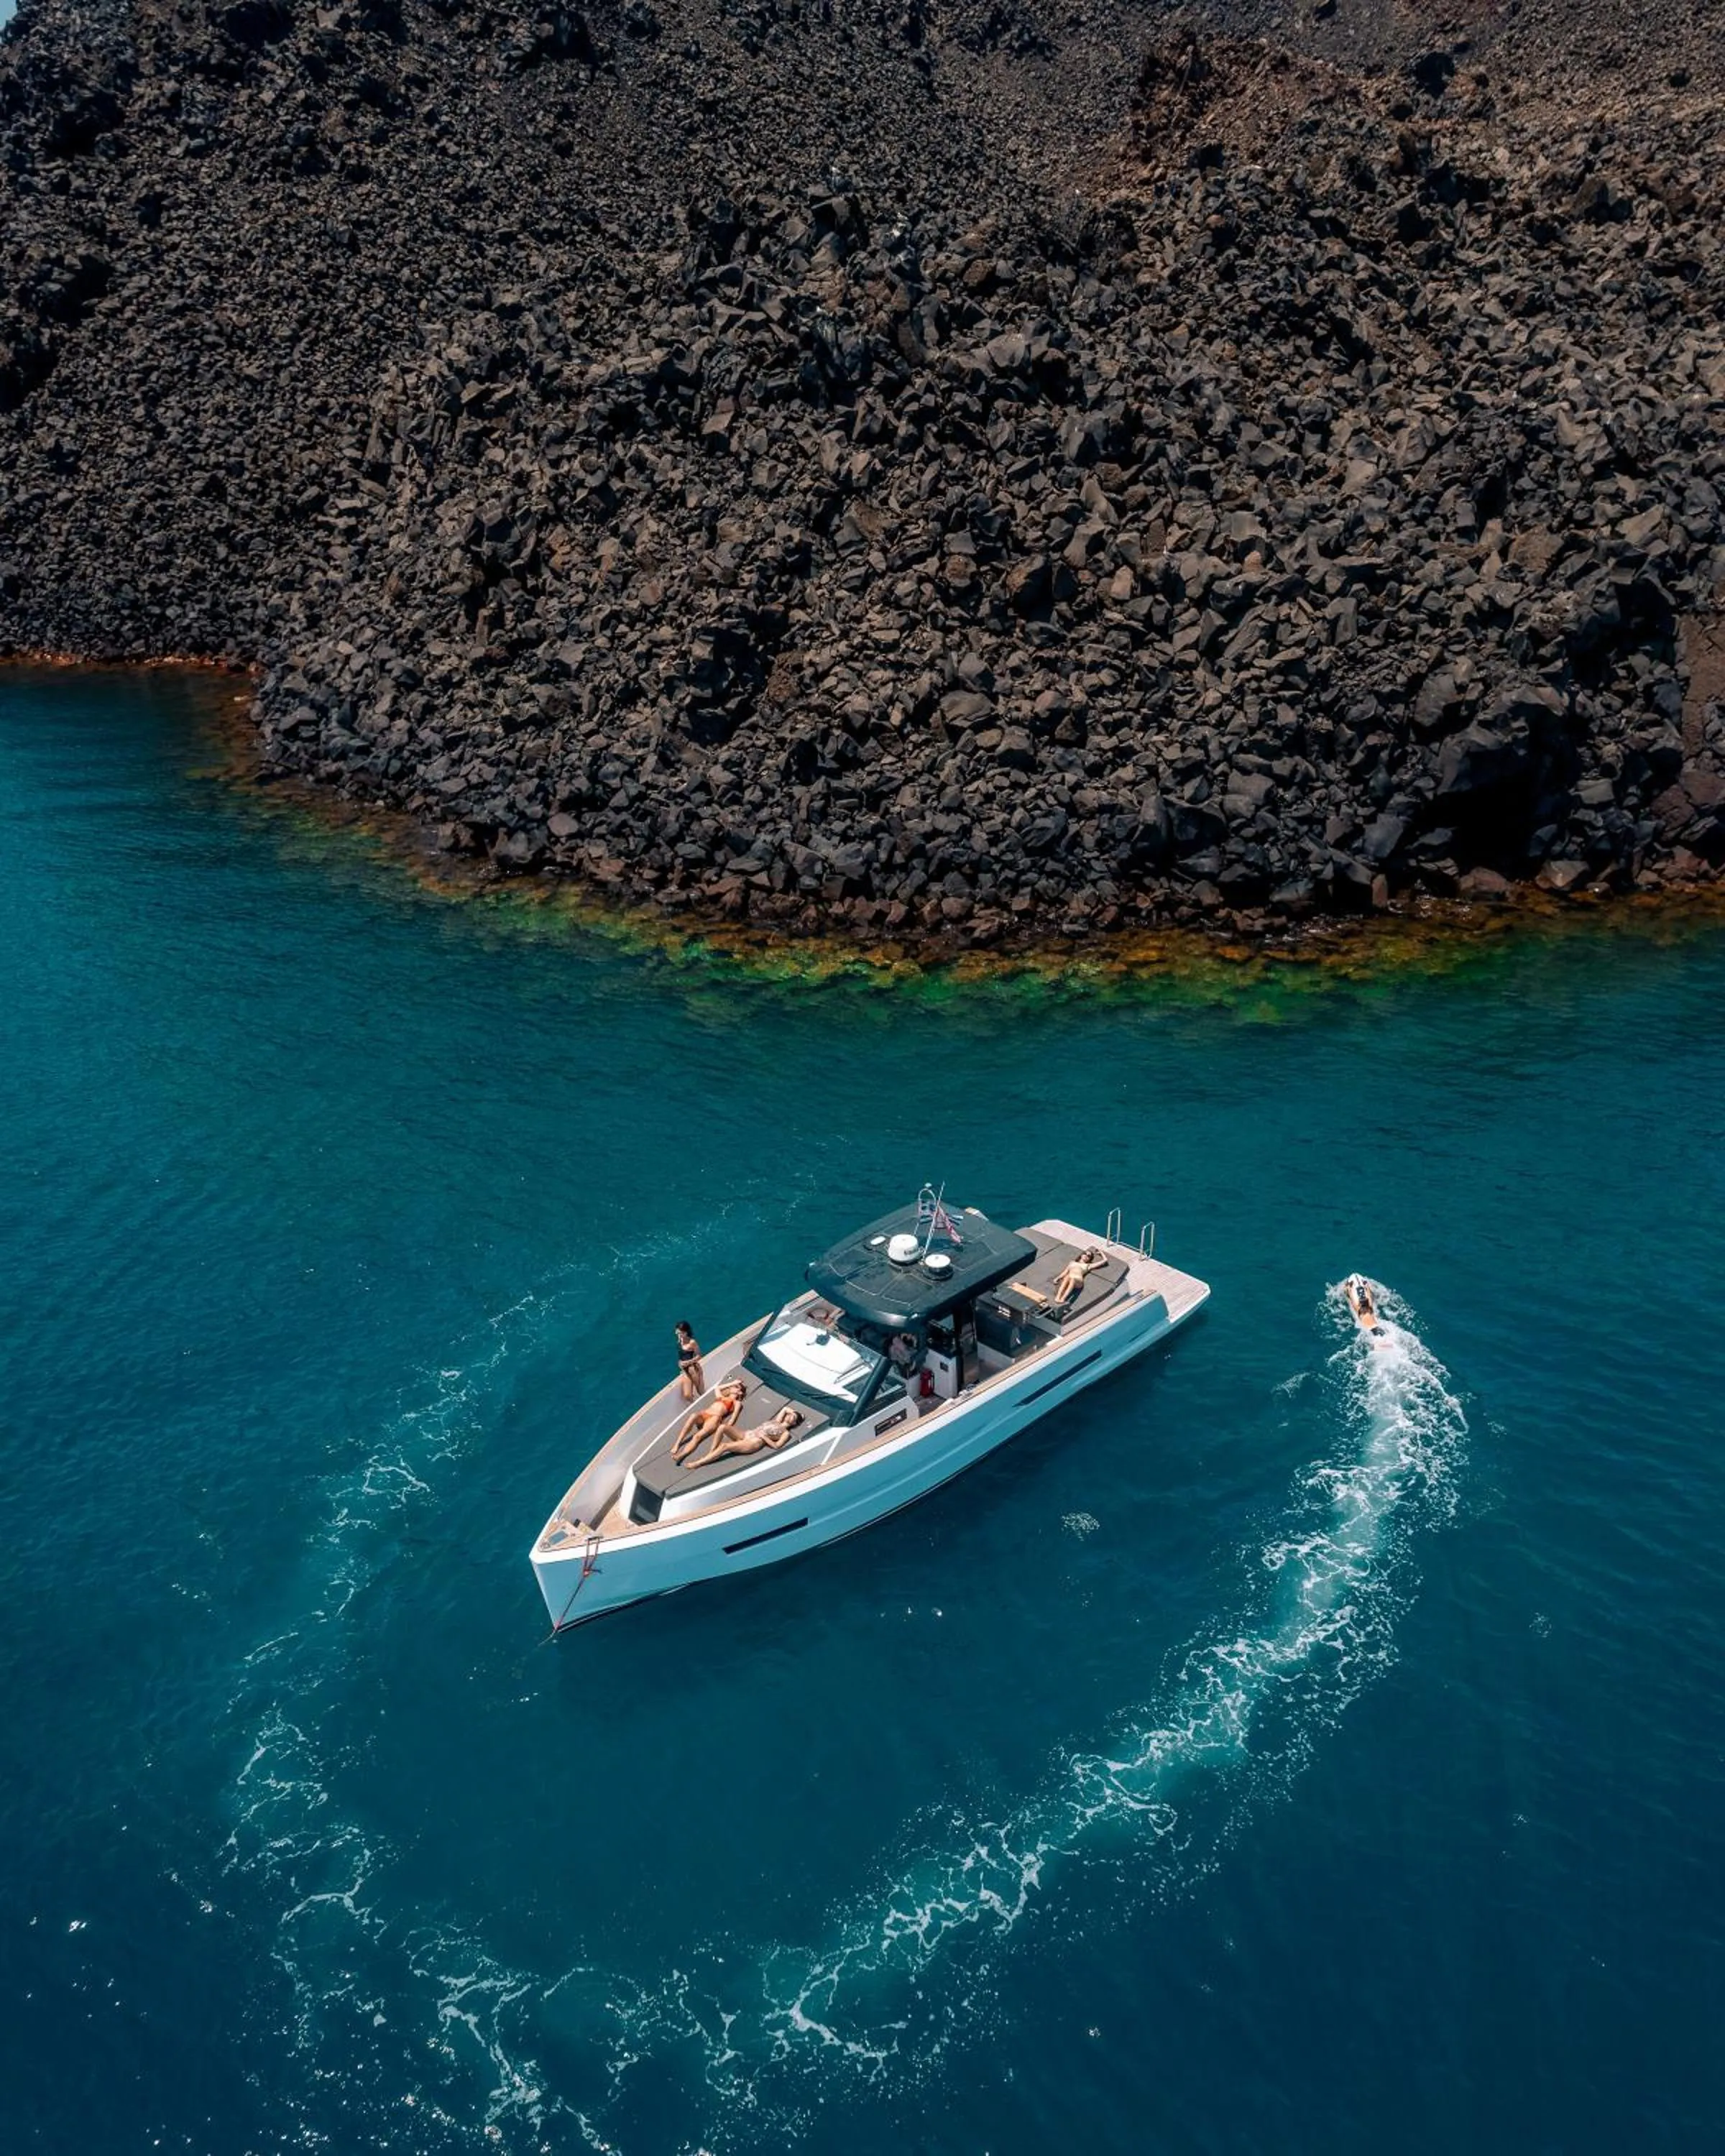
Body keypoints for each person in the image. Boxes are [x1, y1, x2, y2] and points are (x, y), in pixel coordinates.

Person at [684, 1404, 804, 1471]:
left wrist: (764, 1437)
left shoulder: (786, 1433)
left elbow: (777, 1446)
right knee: (722, 1427)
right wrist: (797, 1413)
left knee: (725, 1446)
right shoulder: (777, 1421)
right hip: (747, 1434)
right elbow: (785, 1408)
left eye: (793, 1418)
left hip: (754, 1443)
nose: (790, 1416)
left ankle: (698, 1463)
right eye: (791, 1415)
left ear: (794, 1424)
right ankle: (711, 1454)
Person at [672, 1378, 745, 1464]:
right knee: (693, 1416)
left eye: (736, 1387)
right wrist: (732, 1383)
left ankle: (680, 1456)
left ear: (740, 1392)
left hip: (714, 1419)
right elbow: (717, 1388)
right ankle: (677, 1443)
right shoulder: (721, 1397)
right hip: (705, 1414)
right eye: (733, 1386)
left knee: (697, 1437)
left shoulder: (736, 1403)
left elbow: (733, 1417)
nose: (733, 1387)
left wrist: (725, 1429)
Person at [1049, 1246, 1108, 1312]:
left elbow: (1105, 1261)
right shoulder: (1072, 1262)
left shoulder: (1088, 1266)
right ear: (1082, 1255)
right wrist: (1057, 1278)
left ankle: (1063, 1298)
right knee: (1067, 1276)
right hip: (1070, 1278)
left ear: (1089, 1259)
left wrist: (1101, 1253)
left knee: (1072, 1279)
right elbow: (1065, 1272)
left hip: (1078, 1282)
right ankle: (1058, 1297)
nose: (1086, 1256)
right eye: (1085, 1254)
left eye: (1088, 1256)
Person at [675, 1319, 704, 1401]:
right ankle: (696, 1406)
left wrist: (687, 1362)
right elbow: (682, 1355)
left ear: (686, 1332)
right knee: (687, 1395)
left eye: (680, 1333)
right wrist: (680, 1363)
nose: (678, 1335)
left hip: (694, 1370)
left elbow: (699, 1356)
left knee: (700, 1391)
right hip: (685, 1370)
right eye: (677, 1333)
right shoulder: (680, 1340)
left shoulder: (692, 1342)